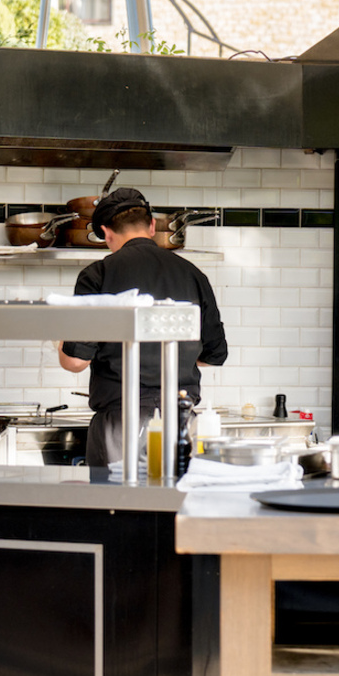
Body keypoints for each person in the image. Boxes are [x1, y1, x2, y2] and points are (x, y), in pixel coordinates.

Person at [57, 188, 227, 467]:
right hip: (181, 423)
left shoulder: (97, 275)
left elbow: (75, 361)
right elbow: (213, 355)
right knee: (173, 505)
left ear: (105, 232)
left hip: (121, 425)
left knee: (118, 506)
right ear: (151, 226)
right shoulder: (193, 274)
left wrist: (60, 340)